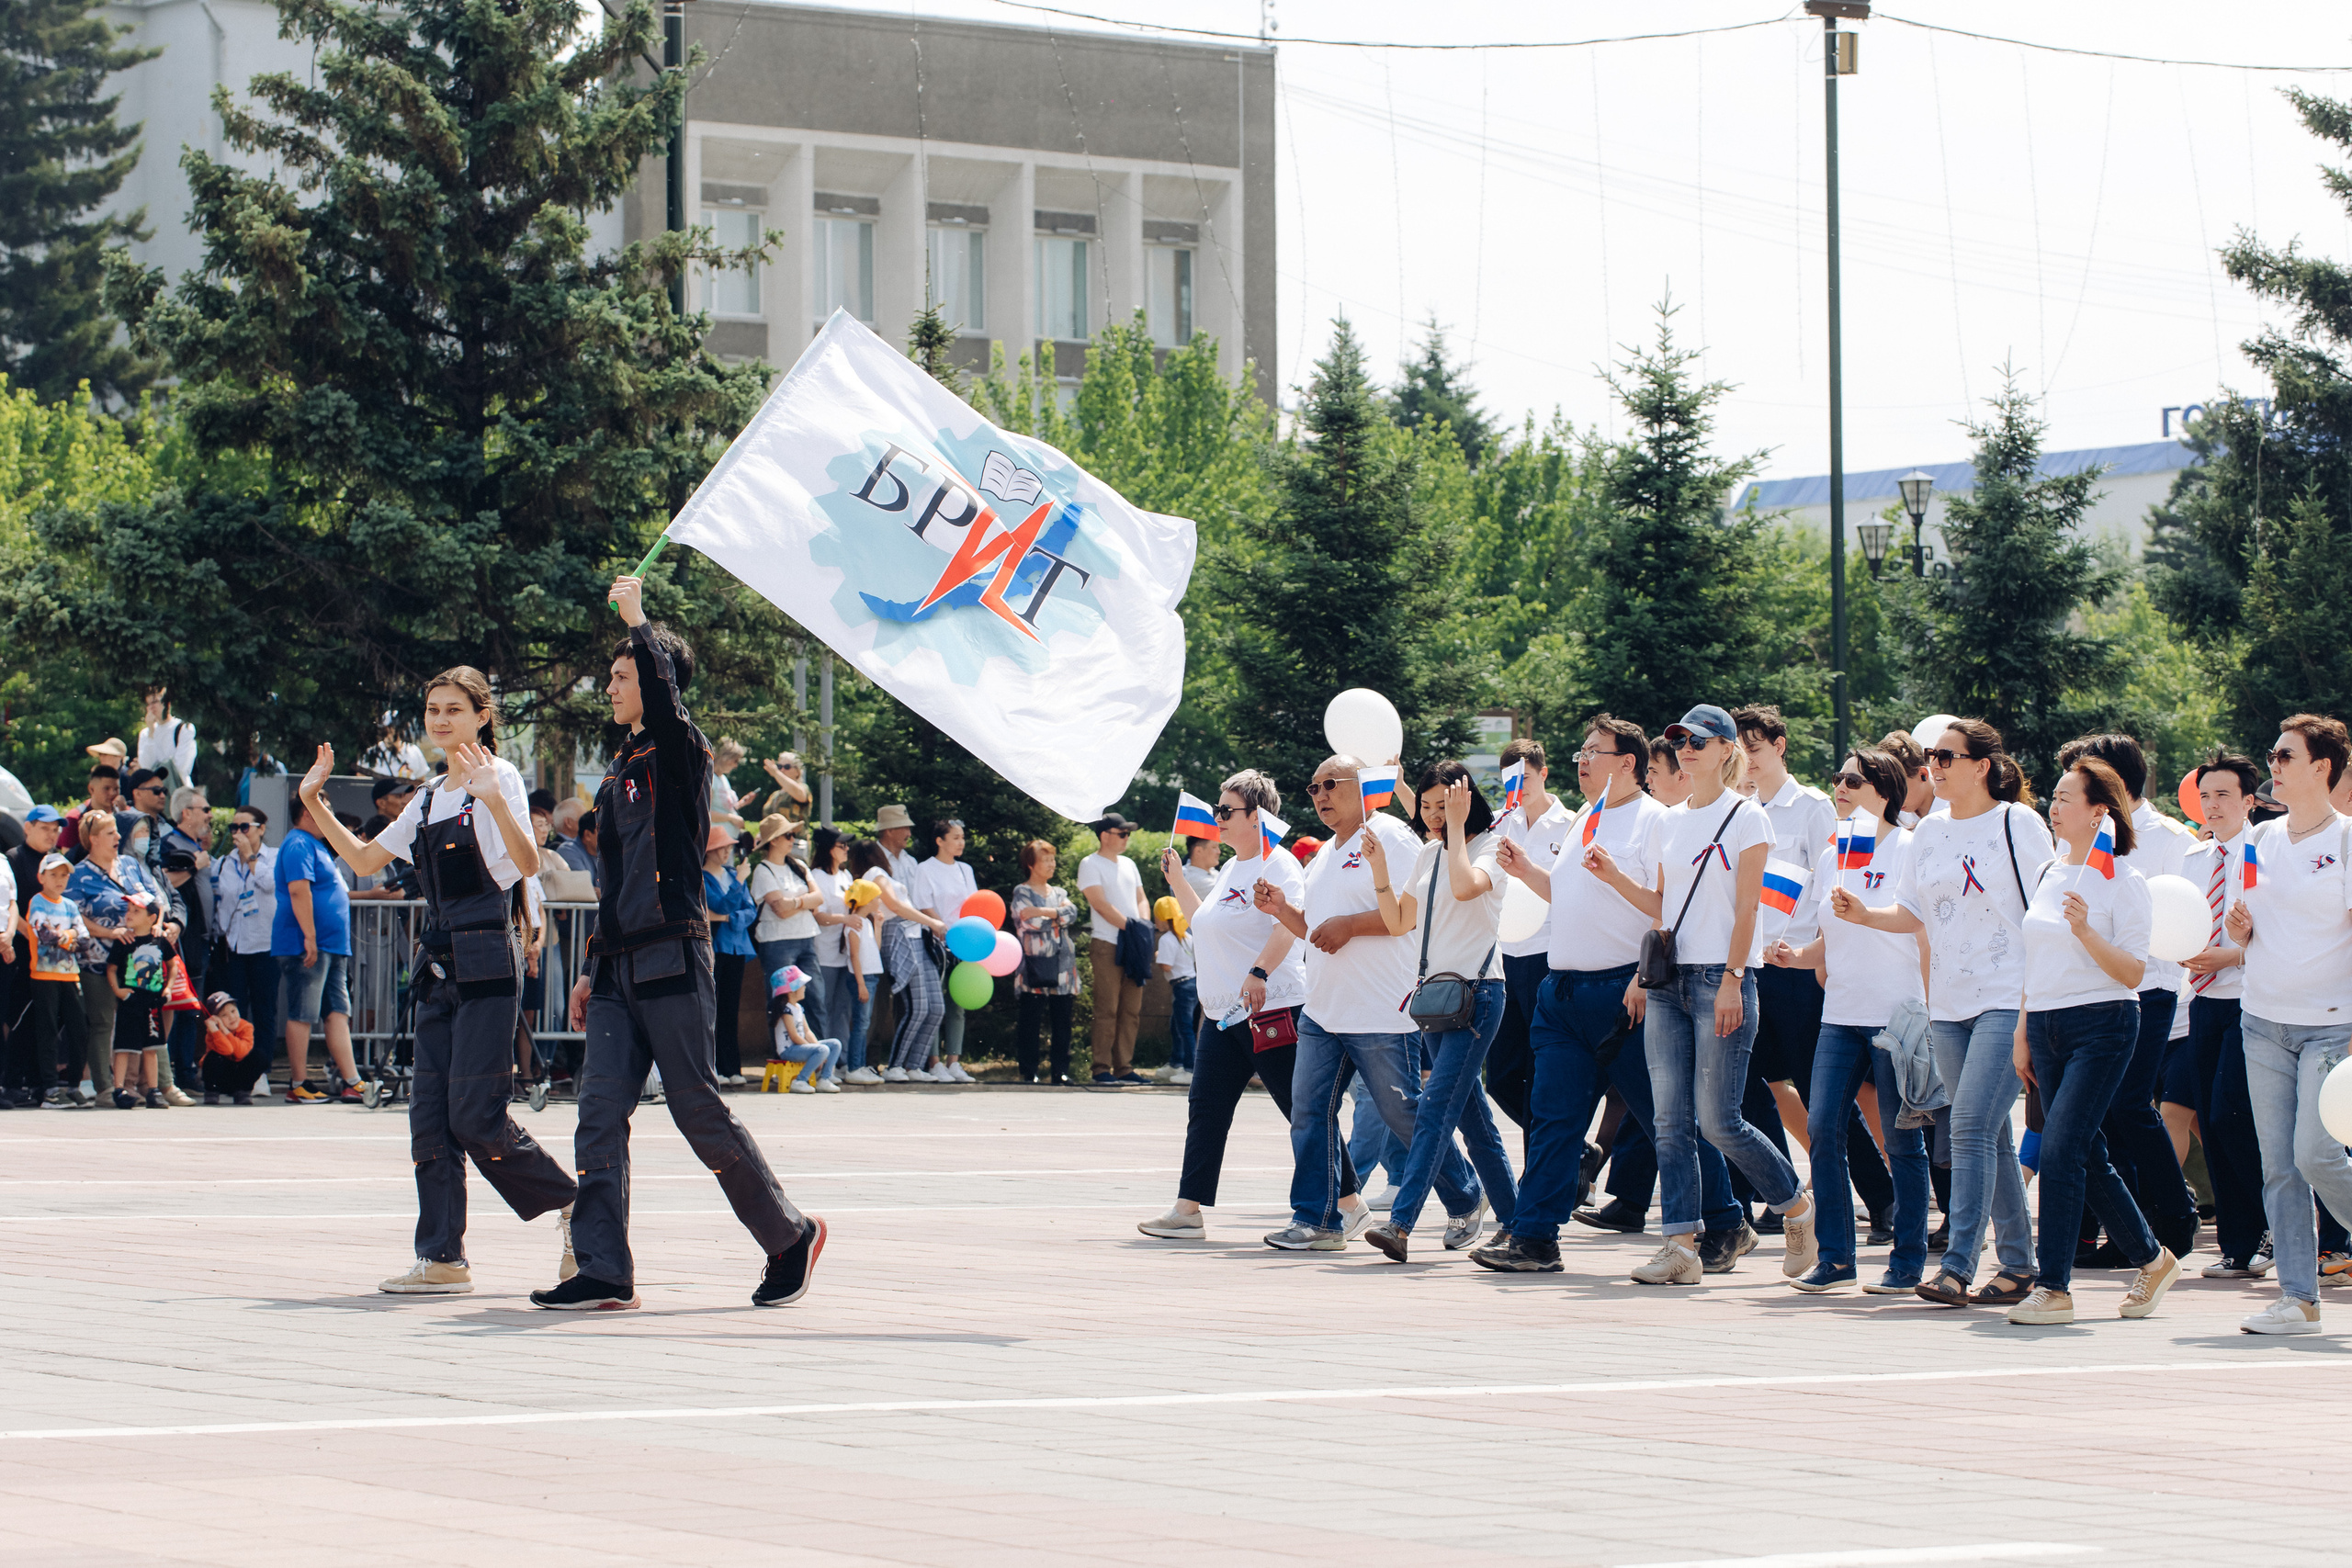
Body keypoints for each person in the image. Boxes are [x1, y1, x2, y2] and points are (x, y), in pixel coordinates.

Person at [547, 575, 821, 1311]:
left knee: (697, 1107)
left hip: (672, 952)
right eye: (609, 675)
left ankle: (788, 1234)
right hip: (617, 963)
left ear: (657, 679)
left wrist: (639, 619)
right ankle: (604, 1268)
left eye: (623, 673)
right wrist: (588, 968)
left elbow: (668, 707)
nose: (609, 685)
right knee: (598, 1111)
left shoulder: (681, 750)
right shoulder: (616, 772)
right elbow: (613, 877)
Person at [296, 676, 581, 1293]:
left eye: (456, 709)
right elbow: (367, 859)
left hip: (488, 963)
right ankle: (442, 1257)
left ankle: (575, 1204)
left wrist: (497, 802)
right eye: (433, 710)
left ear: (482, 717)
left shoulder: (496, 777)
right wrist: (315, 801)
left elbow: (528, 865)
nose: (442, 719)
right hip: (437, 964)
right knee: (429, 1118)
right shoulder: (425, 797)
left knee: (476, 1116)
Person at [1479, 715, 1748, 1274]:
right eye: (1580, 749)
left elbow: (1669, 909)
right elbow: (1567, 895)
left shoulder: (1658, 822)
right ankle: (1535, 1237)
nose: (1581, 759)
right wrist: (1527, 869)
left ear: (1627, 763)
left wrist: (1644, 980)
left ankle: (1725, 1221)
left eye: (1593, 750)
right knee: (1552, 1116)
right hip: (1563, 994)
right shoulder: (1584, 818)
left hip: (1627, 993)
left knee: (1664, 1119)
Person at [1582, 705, 1819, 1288]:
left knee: (1719, 1120)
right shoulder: (1668, 821)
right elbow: (1666, 908)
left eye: (1696, 741)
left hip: (1722, 978)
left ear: (1724, 750)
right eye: (1680, 740)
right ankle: (1681, 1244)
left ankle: (1795, 1206)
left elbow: (1748, 909)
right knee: (1670, 1119)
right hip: (1671, 982)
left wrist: (1737, 976)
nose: (1685, 749)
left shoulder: (1746, 817)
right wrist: (1615, 877)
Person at [1834, 719, 2045, 1306]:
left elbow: (2043, 918)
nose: (1936, 765)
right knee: (1991, 1134)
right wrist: (1864, 914)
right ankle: (2020, 1267)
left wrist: (2034, 1009)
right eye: (1932, 756)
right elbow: (1914, 914)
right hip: (1948, 1003)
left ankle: (1956, 1265)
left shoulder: (2016, 824)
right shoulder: (1926, 834)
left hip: (2008, 996)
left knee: (1972, 1126)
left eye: (1948, 756)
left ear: (1983, 765)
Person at [1256, 753, 1483, 1252]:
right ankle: (1318, 1220)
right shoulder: (1324, 855)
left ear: (1365, 787)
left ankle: (1467, 1197)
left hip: (1381, 1008)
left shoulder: (1392, 837)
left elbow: (1410, 916)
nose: (1320, 796)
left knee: (1402, 1115)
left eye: (1331, 785)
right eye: (1313, 788)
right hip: (1323, 1010)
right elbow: (1316, 931)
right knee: (1309, 1113)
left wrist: (1352, 925)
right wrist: (1282, 910)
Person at [1139, 769, 1368, 1241]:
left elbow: (1289, 925)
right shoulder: (1229, 870)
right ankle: (1188, 1209)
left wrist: (1260, 970)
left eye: (1226, 811)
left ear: (1257, 816)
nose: (1217, 819)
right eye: (1217, 810)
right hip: (1225, 1013)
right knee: (1206, 1107)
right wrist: (1179, 881)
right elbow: (1204, 922)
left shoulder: (1279, 864)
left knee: (1299, 1110)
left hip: (1272, 1008)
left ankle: (1350, 1204)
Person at [2004, 757, 2179, 1325]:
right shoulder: (2051, 872)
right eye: (2052, 798)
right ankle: (2153, 1258)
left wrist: (2085, 930)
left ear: (2098, 811)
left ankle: (2053, 1286)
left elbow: (2132, 971)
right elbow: (2035, 959)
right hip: (2048, 1025)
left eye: (2064, 799)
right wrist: (2024, 1030)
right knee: (2085, 1152)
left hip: (2104, 1024)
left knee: (2059, 1151)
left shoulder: (2124, 880)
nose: (2052, 808)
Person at [1768, 749, 1930, 1292]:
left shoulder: (1909, 847)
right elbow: (1830, 937)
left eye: (1852, 779)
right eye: (1836, 777)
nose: (1839, 786)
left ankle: (1908, 1261)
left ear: (1883, 791)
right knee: (1822, 1128)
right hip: (1839, 1014)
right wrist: (1797, 956)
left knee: (1902, 1140)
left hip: (1895, 1014)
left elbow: (1915, 922)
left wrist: (1865, 914)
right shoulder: (1835, 850)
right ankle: (1836, 1258)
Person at [1735, 705, 1892, 1240]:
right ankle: (1780, 1193)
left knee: (1822, 1094)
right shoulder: (1740, 808)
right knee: (1750, 1089)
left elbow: (1842, 885)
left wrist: (1820, 958)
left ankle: (1883, 1197)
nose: (1747, 760)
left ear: (1779, 746)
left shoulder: (1814, 808)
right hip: (1752, 965)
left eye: (1754, 748)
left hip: (1801, 969)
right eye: (1741, 750)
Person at [1359, 761, 1518, 1263]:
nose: (1431, 815)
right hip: (1434, 1001)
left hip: (1478, 995)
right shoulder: (1427, 852)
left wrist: (1455, 829)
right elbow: (1400, 920)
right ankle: (1516, 1223)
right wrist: (1381, 871)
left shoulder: (1491, 848)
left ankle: (1400, 1224)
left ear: (1465, 801)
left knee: (1433, 1108)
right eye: (1425, 806)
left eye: (1441, 805)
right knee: (1475, 1123)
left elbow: (1469, 887)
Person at [2053, 733, 2201, 1261]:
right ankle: (2116, 1228)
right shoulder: (2070, 838)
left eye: (2082, 775)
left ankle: (2174, 1217)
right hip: (2078, 991)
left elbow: (2174, 921)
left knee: (2128, 1106)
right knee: (2099, 1116)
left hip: (2148, 987)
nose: (2065, 795)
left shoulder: (2168, 838)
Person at [2226, 714, 2352, 1333]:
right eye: (2273, 753)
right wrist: (2239, 931)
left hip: (2332, 1026)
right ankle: (2299, 1298)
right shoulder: (2260, 840)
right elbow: (2240, 921)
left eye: (2284, 755)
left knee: (2316, 1152)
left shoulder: (2349, 841)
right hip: (2263, 1022)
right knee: (2279, 1164)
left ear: (2321, 767)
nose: (2272, 763)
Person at [2180, 753, 2271, 1280]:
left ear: (2248, 801)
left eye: (2223, 796)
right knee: (2207, 1123)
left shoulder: (2264, 851)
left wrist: (2232, 955)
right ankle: (2237, 1244)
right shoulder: (2195, 860)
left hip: (2251, 996)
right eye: (2206, 796)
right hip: (2203, 1000)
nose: (2212, 806)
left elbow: (2274, 929)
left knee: (2230, 1114)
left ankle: (2270, 1228)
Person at [1487, 738, 1573, 1139]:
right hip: (1504, 958)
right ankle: (1571, 1149)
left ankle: (1544, 1170)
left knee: (1540, 1073)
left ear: (1543, 773)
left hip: (1548, 957)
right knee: (1501, 1077)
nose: (1518, 789)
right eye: (1509, 781)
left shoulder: (1573, 824)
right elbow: (1440, 825)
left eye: (1524, 778)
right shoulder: (1499, 821)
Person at [66, 811, 173, 1101]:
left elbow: (157, 899)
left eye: (117, 832)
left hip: (141, 963)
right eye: (110, 833)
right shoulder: (79, 874)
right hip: (100, 961)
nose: (117, 837)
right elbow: (73, 915)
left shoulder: (130, 865)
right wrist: (108, 932)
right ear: (93, 839)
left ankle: (160, 1086)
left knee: (149, 1022)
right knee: (103, 1022)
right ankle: (106, 1088)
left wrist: (158, 926)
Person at [274, 792, 361, 1102]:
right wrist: (309, 937)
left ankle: (353, 1081)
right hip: (309, 944)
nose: (331, 815)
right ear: (309, 812)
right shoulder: (298, 843)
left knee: (338, 1011)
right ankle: (298, 1082)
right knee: (303, 1013)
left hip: (331, 945)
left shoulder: (315, 845)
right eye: (326, 809)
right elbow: (299, 892)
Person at [848, 839, 950, 1083]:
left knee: (936, 1008)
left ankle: (914, 1065)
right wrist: (932, 922)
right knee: (919, 1007)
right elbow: (895, 905)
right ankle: (897, 1065)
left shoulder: (878, 873)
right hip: (903, 937)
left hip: (916, 937)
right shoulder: (877, 873)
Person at [1080, 814, 1151, 1084]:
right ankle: (1101, 1068)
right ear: (1104, 835)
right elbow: (1099, 903)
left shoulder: (1130, 864)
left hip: (1134, 942)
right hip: (1107, 943)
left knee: (1131, 1009)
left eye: (1127, 834)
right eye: (1122, 833)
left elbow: (1141, 898)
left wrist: (1142, 924)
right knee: (1107, 1008)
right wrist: (1134, 928)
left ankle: (1125, 1067)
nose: (1126, 838)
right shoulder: (1090, 863)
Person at [909, 818, 979, 1082]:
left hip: (964, 943)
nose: (961, 842)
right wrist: (943, 928)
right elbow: (923, 904)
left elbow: (973, 904)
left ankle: (954, 1061)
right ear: (940, 841)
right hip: (937, 942)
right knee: (935, 1002)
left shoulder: (965, 869)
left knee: (957, 1003)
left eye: (963, 837)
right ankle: (934, 1062)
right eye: (956, 837)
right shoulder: (925, 869)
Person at [807, 829, 876, 1084]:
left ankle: (840, 1062)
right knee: (822, 1009)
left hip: (846, 955)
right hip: (823, 954)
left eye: (847, 846)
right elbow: (818, 914)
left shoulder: (846, 876)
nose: (847, 850)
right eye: (841, 845)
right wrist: (845, 918)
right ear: (828, 849)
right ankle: (823, 1065)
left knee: (842, 1012)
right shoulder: (816, 877)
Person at [749, 815, 825, 1043]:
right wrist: (804, 902)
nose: (793, 839)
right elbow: (779, 910)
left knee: (815, 999)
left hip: (806, 937)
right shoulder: (763, 870)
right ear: (773, 840)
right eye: (788, 835)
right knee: (781, 1002)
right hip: (777, 942)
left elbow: (819, 898)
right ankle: (785, 1059)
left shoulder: (799, 865)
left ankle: (821, 1059)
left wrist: (794, 903)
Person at [1012, 840, 1080, 1086]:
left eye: (1053, 859)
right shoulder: (1022, 892)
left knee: (1062, 1021)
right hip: (1034, 965)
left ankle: (1060, 1071)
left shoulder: (1059, 893)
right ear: (1031, 864)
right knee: (1031, 1019)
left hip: (1062, 966)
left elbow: (1072, 913)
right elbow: (1030, 923)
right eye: (1046, 859)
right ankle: (1029, 1071)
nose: (1052, 864)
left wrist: (1043, 912)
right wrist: (1056, 915)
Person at [25, 852, 87, 1105]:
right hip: (43, 975)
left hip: (70, 975)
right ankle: (50, 1088)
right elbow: (45, 935)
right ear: (42, 877)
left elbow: (84, 941)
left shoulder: (70, 905)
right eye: (54, 875)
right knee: (48, 1030)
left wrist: (67, 937)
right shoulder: (37, 902)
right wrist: (69, 936)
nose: (60, 880)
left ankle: (73, 1085)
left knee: (80, 1030)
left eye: (64, 875)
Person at [702, 828, 759, 1087]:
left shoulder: (734, 874)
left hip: (736, 946)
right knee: (713, 1008)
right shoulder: (702, 878)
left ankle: (732, 1066)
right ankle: (715, 1067)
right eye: (722, 847)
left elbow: (750, 910)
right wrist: (738, 885)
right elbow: (719, 904)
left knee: (730, 1009)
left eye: (729, 847)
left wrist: (729, 919)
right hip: (717, 948)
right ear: (709, 850)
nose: (728, 851)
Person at [107, 895, 175, 1108]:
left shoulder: (160, 941)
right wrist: (118, 991)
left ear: (151, 917)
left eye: (136, 911)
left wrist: (169, 987)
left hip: (153, 1001)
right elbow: (111, 968)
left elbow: (173, 965)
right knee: (124, 1047)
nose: (129, 915)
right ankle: (119, 1089)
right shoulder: (124, 941)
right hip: (130, 1000)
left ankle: (153, 1090)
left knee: (152, 1046)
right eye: (128, 910)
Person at [767, 967, 842, 1092]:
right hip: (789, 1050)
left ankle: (825, 1078)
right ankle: (800, 1080)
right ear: (791, 991)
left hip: (800, 1047)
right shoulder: (786, 1010)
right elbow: (794, 1036)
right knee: (822, 1049)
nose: (805, 988)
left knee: (834, 1044)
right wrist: (817, 1050)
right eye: (801, 985)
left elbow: (807, 1031)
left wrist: (817, 1047)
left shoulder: (798, 1008)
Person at [1152, 896, 1197, 1085]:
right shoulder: (1188, 937)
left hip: (1181, 986)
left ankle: (1190, 1069)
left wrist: (1157, 956)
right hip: (1193, 984)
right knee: (1177, 1024)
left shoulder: (1166, 940)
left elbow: (1166, 966)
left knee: (1184, 1028)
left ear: (1163, 918)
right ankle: (1176, 1062)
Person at [197, 992, 264, 1105]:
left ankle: (242, 1092)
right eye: (224, 1015)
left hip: (238, 1075)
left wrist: (225, 1031)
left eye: (233, 1011)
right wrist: (218, 1031)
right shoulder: (212, 1032)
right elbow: (227, 1051)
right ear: (215, 1019)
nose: (232, 1017)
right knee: (213, 1057)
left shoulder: (246, 1027)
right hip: (221, 1076)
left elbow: (240, 1053)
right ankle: (212, 1092)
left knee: (259, 1056)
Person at [708, 737, 750, 841]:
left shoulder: (723, 778)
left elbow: (723, 808)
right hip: (715, 842)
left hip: (728, 841)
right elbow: (706, 812)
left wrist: (741, 804)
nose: (736, 765)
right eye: (735, 760)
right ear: (724, 757)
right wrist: (732, 818)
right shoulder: (709, 778)